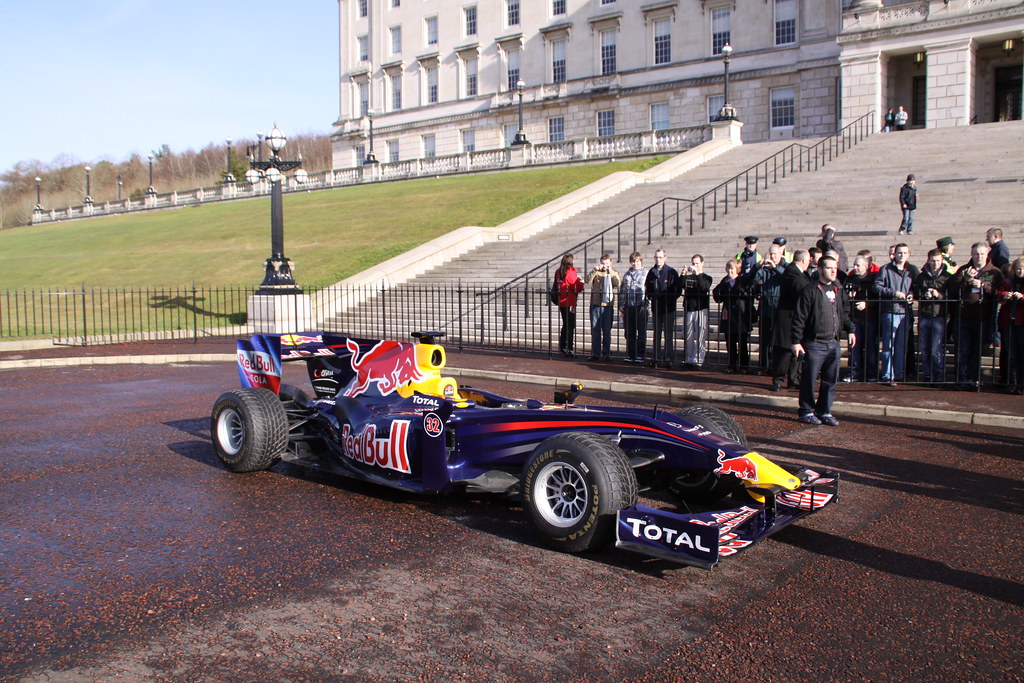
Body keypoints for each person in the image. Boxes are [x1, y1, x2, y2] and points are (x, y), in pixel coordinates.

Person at [791, 255, 855, 426]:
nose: (833, 271)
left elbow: (844, 312)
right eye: (829, 268)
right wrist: (796, 341)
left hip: (833, 342)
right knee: (809, 380)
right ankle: (806, 411)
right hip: (814, 343)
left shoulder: (838, 288)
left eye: (835, 267)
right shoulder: (810, 290)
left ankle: (824, 411)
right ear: (820, 269)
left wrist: (850, 329)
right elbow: (799, 317)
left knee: (830, 380)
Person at [951, 242, 1002, 388]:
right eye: (976, 254)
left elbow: (997, 292)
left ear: (987, 254)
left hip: (982, 319)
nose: (979, 257)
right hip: (963, 317)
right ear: (971, 254)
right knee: (962, 350)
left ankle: (974, 380)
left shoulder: (994, 272)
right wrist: (965, 280)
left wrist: (983, 286)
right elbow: (953, 289)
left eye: (982, 254)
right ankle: (960, 380)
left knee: (976, 351)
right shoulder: (963, 270)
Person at [874, 243, 918, 386]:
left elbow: (917, 287)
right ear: (895, 254)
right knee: (889, 345)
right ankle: (888, 375)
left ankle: (898, 373)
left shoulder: (912, 270)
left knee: (901, 345)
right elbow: (877, 287)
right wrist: (894, 293)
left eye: (905, 253)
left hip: (905, 311)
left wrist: (912, 295)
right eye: (899, 252)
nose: (902, 255)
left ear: (909, 254)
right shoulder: (885, 269)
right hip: (890, 311)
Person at [769, 249, 811, 391]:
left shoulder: (802, 273)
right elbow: (802, 288)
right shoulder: (792, 271)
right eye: (809, 260)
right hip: (787, 318)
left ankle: (793, 379)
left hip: (797, 317)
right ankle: (778, 380)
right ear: (804, 260)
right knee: (784, 351)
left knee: (796, 350)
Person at [912, 248, 951, 383]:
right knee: (924, 349)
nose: (935, 263)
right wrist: (924, 295)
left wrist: (938, 295)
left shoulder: (947, 277)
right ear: (928, 260)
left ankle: (939, 375)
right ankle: (928, 374)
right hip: (925, 315)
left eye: (938, 261)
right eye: (933, 261)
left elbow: (951, 297)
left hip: (939, 316)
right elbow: (916, 292)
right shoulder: (921, 276)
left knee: (936, 349)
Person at [713, 259, 754, 373]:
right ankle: (731, 364)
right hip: (729, 316)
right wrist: (718, 290)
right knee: (730, 343)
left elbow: (749, 296)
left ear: (737, 270)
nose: (730, 271)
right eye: (728, 269)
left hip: (741, 316)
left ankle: (743, 365)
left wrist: (742, 291)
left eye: (732, 269)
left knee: (742, 343)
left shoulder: (743, 281)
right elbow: (718, 298)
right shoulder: (725, 281)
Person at [751, 242, 786, 372]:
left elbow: (788, 277)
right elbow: (754, 280)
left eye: (775, 254)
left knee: (777, 340)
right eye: (771, 254)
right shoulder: (764, 269)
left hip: (778, 309)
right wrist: (757, 267)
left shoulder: (785, 266)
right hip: (765, 308)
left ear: (780, 254)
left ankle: (776, 366)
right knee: (764, 340)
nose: (772, 256)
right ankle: (763, 365)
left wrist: (776, 267)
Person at [843, 255, 878, 382]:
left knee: (870, 348)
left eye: (858, 265)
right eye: (854, 265)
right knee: (854, 348)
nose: (855, 268)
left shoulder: (873, 280)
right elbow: (843, 297)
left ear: (866, 266)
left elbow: (879, 299)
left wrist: (867, 303)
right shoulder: (850, 279)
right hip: (855, 319)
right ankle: (854, 372)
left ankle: (871, 373)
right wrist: (849, 296)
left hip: (870, 318)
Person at [645, 248, 681, 368]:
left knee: (668, 333)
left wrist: (669, 299)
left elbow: (677, 290)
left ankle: (668, 357)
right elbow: (647, 287)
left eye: (660, 257)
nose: (658, 259)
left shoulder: (671, 272)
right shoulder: (652, 272)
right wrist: (651, 295)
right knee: (657, 333)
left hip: (668, 307)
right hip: (656, 306)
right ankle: (656, 357)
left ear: (665, 258)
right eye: (656, 257)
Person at [680, 254, 713, 369]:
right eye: (693, 263)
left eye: (697, 263)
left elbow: (704, 287)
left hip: (701, 309)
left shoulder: (707, 277)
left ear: (702, 263)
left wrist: (698, 274)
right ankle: (688, 359)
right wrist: (683, 275)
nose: (695, 266)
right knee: (688, 336)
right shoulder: (689, 277)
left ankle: (698, 360)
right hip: (689, 308)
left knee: (700, 336)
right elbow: (681, 285)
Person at [997, 257, 1024, 394]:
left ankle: (1021, 384)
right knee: (1011, 354)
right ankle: (1012, 383)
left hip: (1021, 322)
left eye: (1022, 269)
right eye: (1018, 268)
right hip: (1009, 322)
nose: (1020, 271)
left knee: (1021, 353)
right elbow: (999, 293)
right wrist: (1005, 295)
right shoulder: (1009, 281)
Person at [586, 254, 620, 362]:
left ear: (610, 262)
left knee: (606, 331)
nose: (604, 266)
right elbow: (587, 281)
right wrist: (594, 271)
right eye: (602, 263)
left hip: (607, 306)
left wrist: (610, 271)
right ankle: (595, 353)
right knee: (595, 330)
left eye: (606, 263)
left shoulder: (613, 272)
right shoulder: (596, 272)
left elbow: (617, 283)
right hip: (595, 304)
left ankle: (606, 354)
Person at [618, 251, 649, 364]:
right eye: (633, 262)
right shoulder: (627, 274)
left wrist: (645, 304)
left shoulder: (646, 273)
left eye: (637, 261)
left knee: (641, 332)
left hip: (640, 306)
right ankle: (631, 354)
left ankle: (640, 354)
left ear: (640, 261)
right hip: (629, 306)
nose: (635, 264)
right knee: (629, 332)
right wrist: (621, 304)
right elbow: (622, 290)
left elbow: (648, 290)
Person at [554, 253, 584, 357]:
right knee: (571, 325)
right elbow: (576, 287)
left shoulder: (558, 272)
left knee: (565, 324)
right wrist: (581, 282)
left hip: (561, 301)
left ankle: (562, 345)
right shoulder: (571, 272)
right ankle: (569, 347)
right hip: (570, 301)